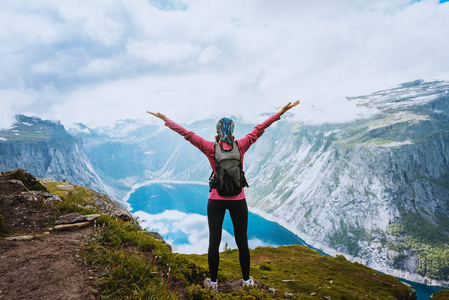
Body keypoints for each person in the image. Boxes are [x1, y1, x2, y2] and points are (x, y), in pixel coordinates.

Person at [146, 100, 300, 292]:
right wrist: (280, 112)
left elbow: (187, 134)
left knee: (214, 241)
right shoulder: (241, 145)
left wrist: (167, 120)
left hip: (216, 200)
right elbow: (260, 128)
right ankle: (246, 281)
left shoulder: (210, 147)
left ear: (218, 132)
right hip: (238, 200)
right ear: (232, 131)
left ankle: (214, 283)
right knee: (242, 241)